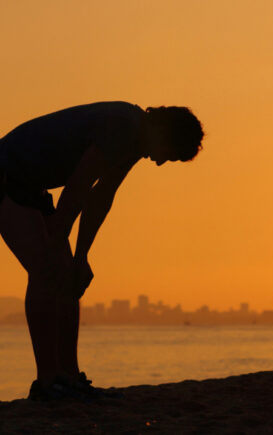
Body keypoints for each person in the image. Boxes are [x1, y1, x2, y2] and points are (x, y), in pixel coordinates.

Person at [0, 101, 204, 400]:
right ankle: (47, 382)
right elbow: (78, 186)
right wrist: (58, 241)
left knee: (68, 279)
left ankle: (67, 376)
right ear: (163, 132)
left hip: (32, 185)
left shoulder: (136, 141)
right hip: (7, 175)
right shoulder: (123, 126)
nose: (160, 163)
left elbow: (100, 198)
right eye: (168, 155)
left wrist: (81, 258)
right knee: (46, 271)